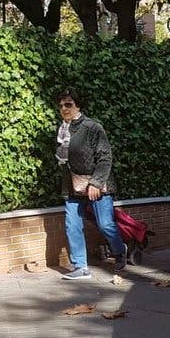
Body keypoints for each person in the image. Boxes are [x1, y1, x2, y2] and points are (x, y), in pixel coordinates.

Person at [54, 90, 128, 281]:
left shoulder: (92, 127)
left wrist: (95, 183)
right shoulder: (62, 129)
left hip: (96, 183)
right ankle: (80, 266)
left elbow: (105, 157)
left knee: (105, 224)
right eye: (61, 105)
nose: (64, 109)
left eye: (68, 104)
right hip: (72, 185)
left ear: (78, 105)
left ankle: (120, 249)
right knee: (72, 224)